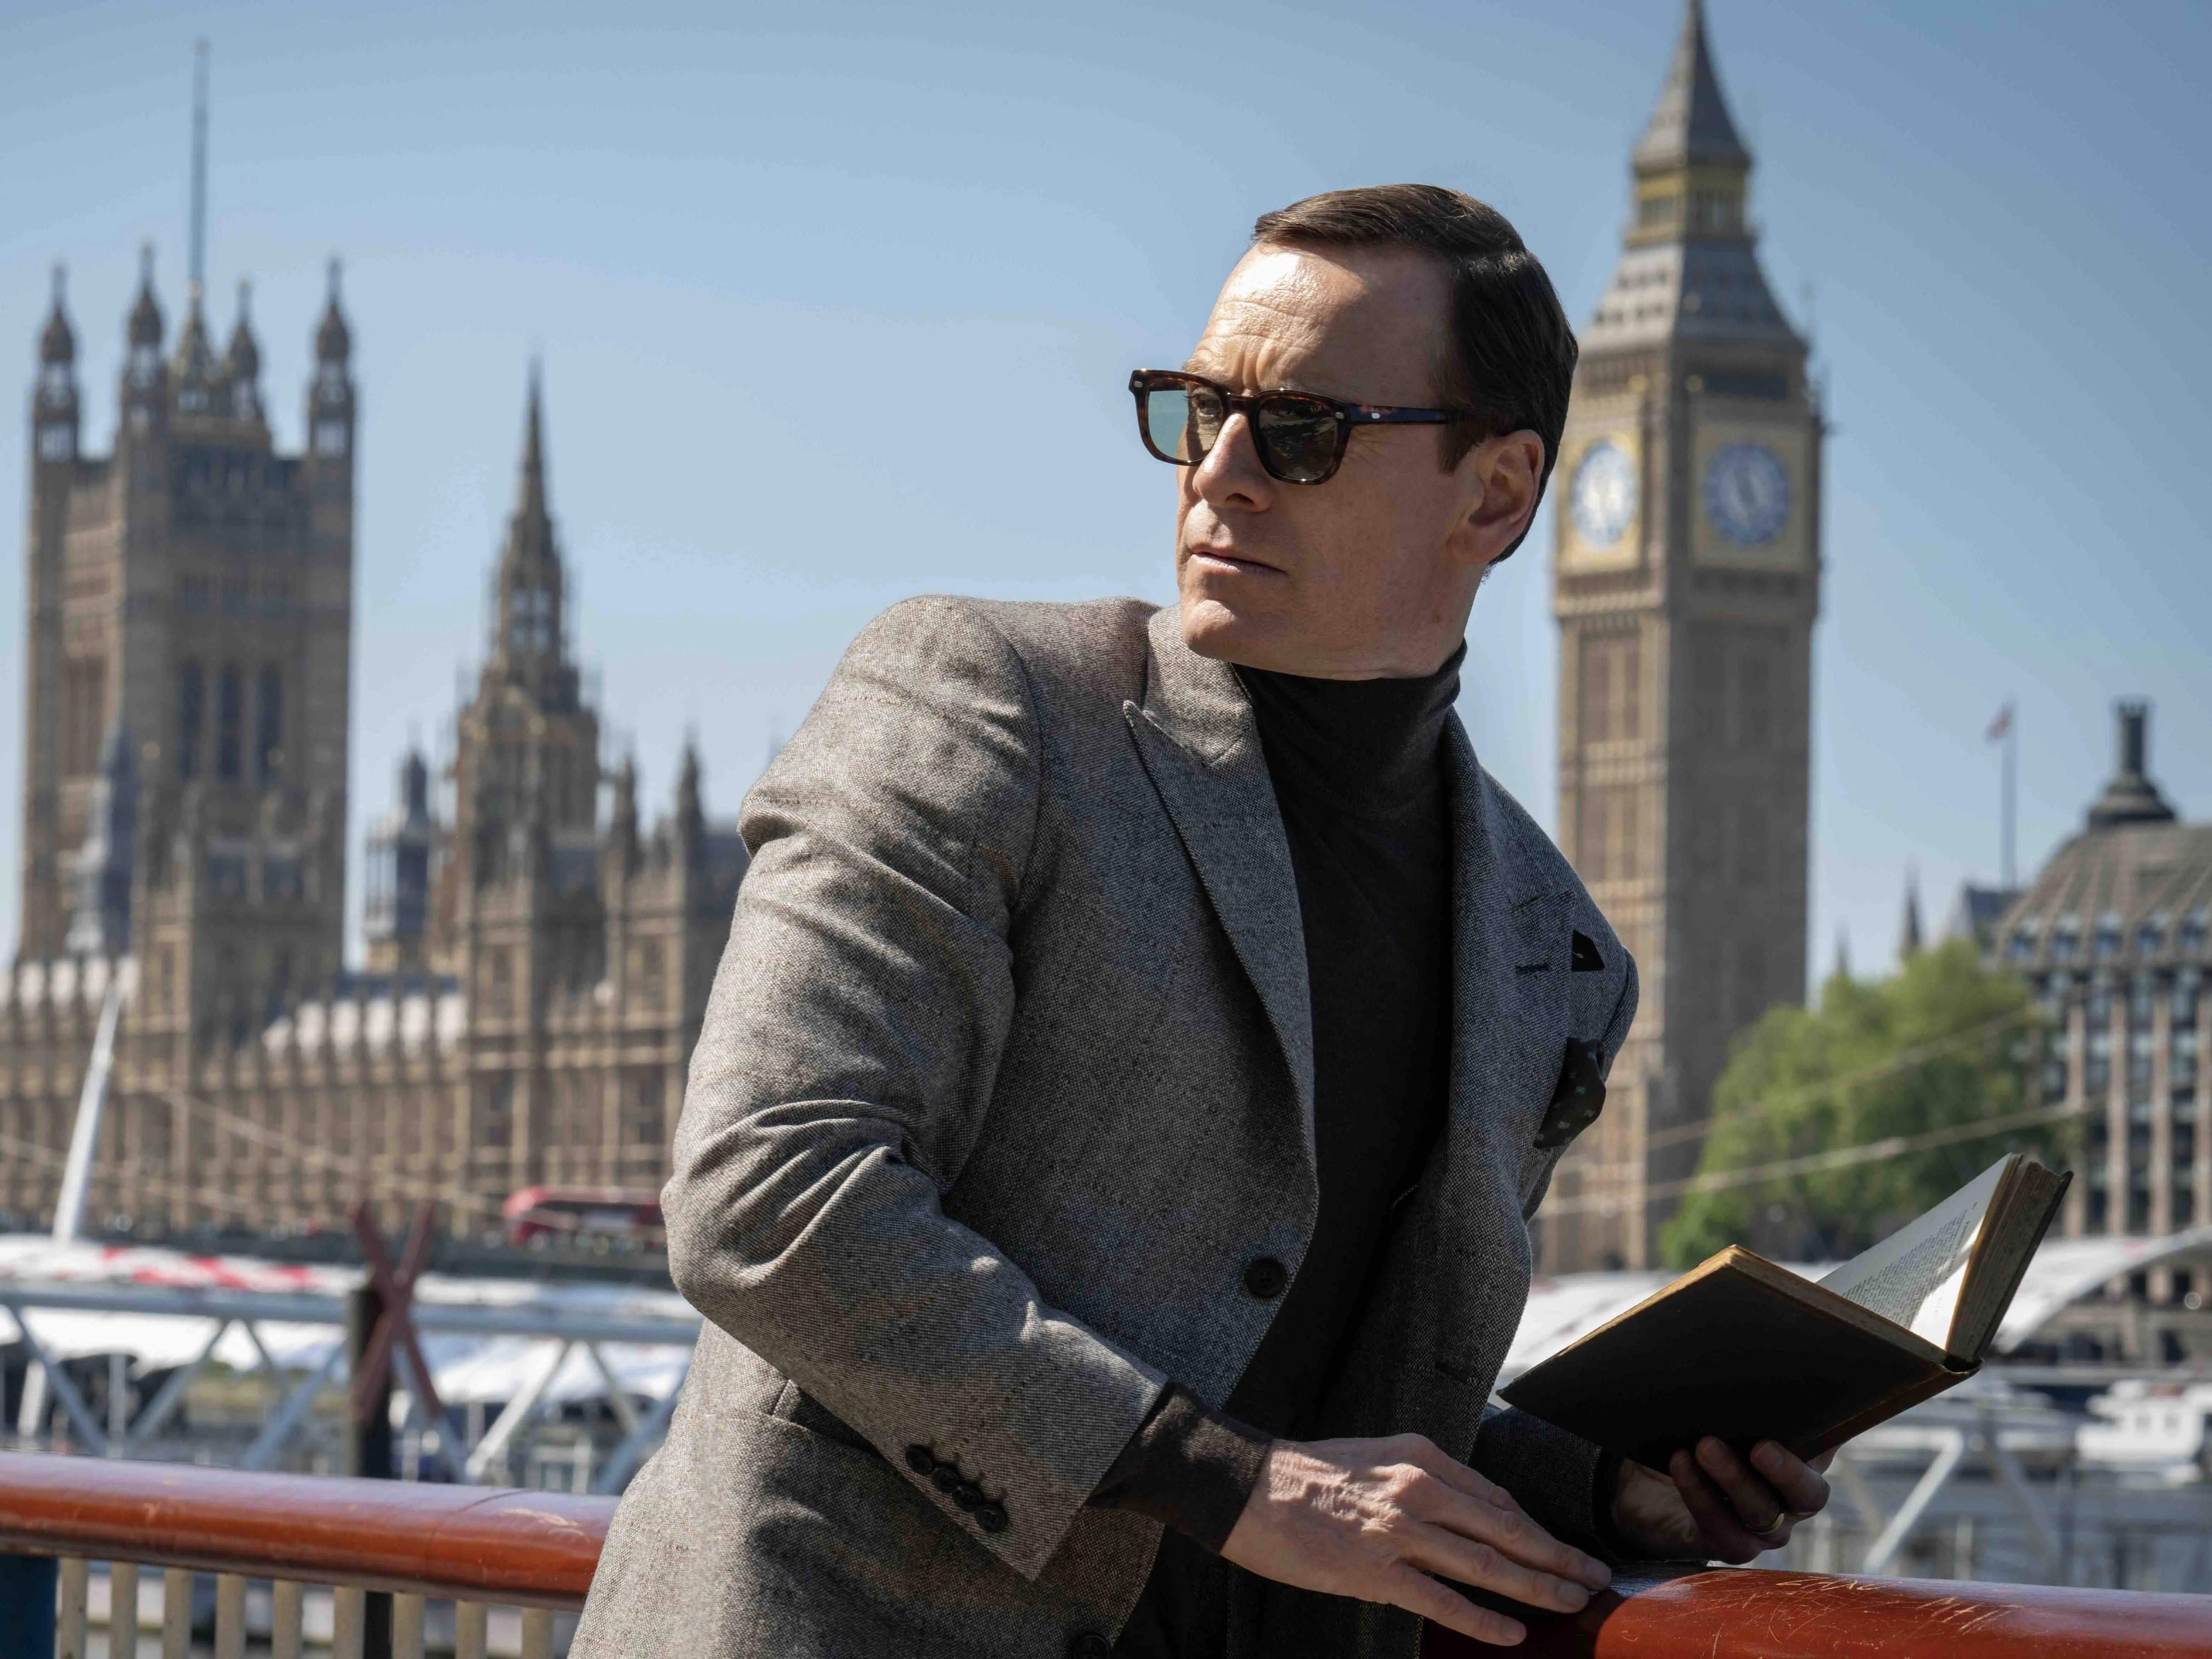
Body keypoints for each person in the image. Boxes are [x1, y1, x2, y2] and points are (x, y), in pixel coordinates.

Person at [572, 184, 1830, 1659]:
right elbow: (764, 1195)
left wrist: (1605, 1486)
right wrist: (1234, 1484)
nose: (1218, 474)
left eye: (1298, 430)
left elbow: (1314, 1402)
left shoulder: (1552, 953)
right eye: (1194, 410)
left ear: (1493, 495)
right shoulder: (990, 710)